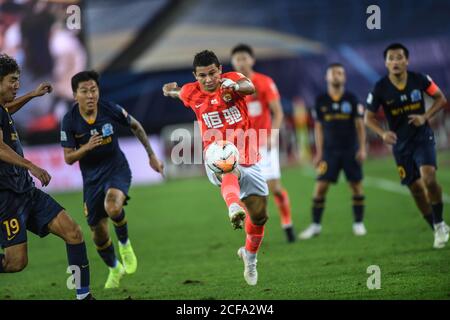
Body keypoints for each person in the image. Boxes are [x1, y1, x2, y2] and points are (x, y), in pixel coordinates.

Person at [163, 50, 269, 286]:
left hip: (248, 152)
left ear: (220, 70)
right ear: (195, 75)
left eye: (212, 73)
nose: (208, 79)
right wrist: (169, 90)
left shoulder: (231, 79)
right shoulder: (192, 91)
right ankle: (233, 206)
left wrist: (234, 85)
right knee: (225, 160)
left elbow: (249, 86)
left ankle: (249, 256)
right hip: (216, 151)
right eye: (202, 76)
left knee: (260, 216)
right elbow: (180, 92)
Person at [0, 53, 93, 300]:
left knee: (73, 232)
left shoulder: (1, 107)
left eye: (18, 80)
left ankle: (84, 297)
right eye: (12, 80)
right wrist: (31, 165)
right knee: (15, 263)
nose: (16, 85)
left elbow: (7, 107)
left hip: (26, 190)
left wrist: (31, 95)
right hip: (6, 198)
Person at [60, 70, 164, 288]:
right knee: (98, 234)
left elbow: (135, 125)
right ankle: (115, 268)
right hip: (91, 180)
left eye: (93, 90)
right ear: (74, 95)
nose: (90, 95)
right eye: (84, 91)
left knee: (113, 207)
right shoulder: (69, 120)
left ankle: (125, 245)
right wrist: (87, 147)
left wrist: (152, 155)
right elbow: (69, 158)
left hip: (116, 168)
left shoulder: (109, 109)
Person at [365, 43, 449, 249]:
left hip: (422, 136)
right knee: (416, 189)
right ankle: (436, 228)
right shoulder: (380, 88)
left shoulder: (419, 79)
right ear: (386, 63)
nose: (395, 61)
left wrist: (425, 116)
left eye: (399, 57)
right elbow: (368, 118)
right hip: (400, 145)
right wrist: (383, 133)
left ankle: (439, 223)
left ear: (407, 60)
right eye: (391, 58)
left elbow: (440, 98)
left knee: (429, 178)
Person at [230, 44, 295, 243]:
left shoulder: (264, 82)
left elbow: (278, 112)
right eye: (237, 59)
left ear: (252, 60)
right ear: (233, 62)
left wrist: (273, 135)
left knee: (274, 187)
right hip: (241, 146)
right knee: (247, 194)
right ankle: (253, 234)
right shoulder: (229, 86)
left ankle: (287, 223)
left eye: (244, 58)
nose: (241, 62)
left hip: (264, 144)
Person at [299, 63, 367, 239]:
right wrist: (319, 152)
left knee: (356, 186)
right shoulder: (321, 100)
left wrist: (362, 148)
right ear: (327, 77)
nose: (337, 76)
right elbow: (318, 128)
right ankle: (315, 226)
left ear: (344, 77)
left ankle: (358, 223)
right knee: (320, 187)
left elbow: (360, 125)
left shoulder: (351, 99)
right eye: (333, 73)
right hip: (329, 152)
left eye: (340, 73)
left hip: (350, 150)